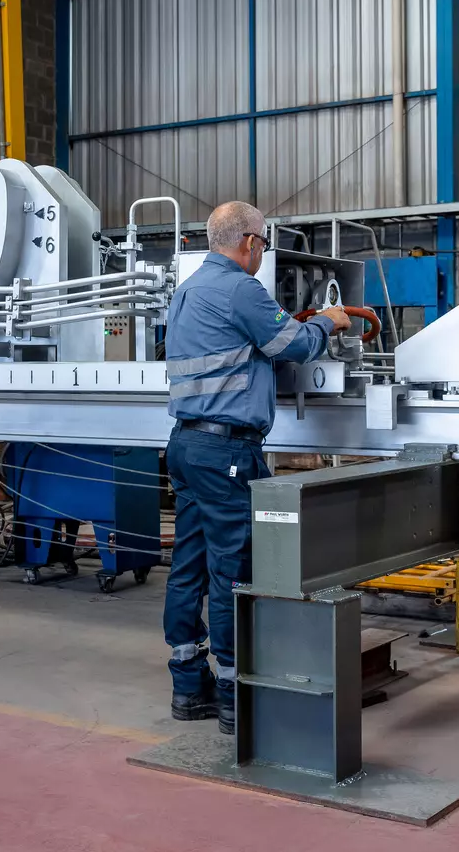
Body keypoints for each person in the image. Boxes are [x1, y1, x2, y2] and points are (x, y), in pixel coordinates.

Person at [163, 201, 349, 733]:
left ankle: (187, 685)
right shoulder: (240, 289)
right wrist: (330, 321)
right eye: (264, 243)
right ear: (249, 241)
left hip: (187, 445)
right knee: (233, 570)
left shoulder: (187, 291)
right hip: (227, 452)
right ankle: (234, 696)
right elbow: (294, 344)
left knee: (188, 566)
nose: (263, 251)